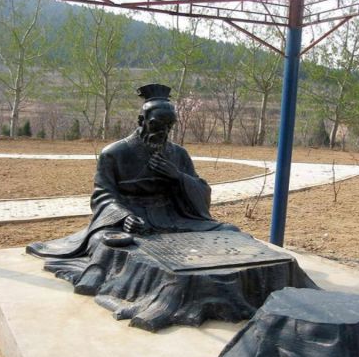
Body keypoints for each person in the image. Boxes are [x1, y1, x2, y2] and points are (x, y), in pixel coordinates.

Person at [27, 84, 238, 260]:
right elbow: (103, 196)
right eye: (156, 125)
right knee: (106, 245)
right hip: (130, 221)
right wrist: (124, 217)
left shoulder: (178, 154)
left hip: (173, 218)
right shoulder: (114, 153)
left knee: (230, 232)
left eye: (169, 126)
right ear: (141, 121)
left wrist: (178, 177)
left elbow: (202, 193)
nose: (163, 132)